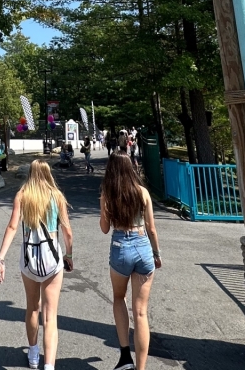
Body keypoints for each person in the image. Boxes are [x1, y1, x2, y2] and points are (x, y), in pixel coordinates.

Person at [0, 160, 73, 370]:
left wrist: (1, 259)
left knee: (32, 307)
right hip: (52, 260)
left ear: (30, 174)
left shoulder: (22, 195)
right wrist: (69, 255)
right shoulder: (56, 197)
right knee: (50, 316)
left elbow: (12, 226)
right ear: (48, 174)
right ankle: (48, 366)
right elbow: (67, 232)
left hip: (29, 259)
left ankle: (33, 352)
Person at [100, 153, 162, 370]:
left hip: (120, 247)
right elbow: (151, 228)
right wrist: (156, 254)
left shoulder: (109, 193)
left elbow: (105, 228)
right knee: (141, 311)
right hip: (143, 246)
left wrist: (104, 207)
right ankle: (141, 368)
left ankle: (125, 355)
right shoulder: (142, 192)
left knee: (119, 298)